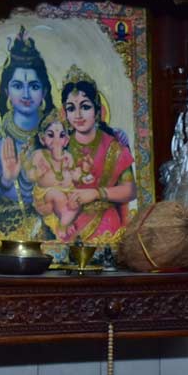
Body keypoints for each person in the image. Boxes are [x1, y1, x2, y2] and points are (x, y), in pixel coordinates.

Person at [0, 25, 56, 239]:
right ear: (6, 91)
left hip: (50, 222)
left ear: (44, 92)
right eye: (17, 85)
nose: (25, 94)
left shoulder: (55, 132)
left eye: (33, 86)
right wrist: (5, 180)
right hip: (4, 224)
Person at [56, 66, 138, 246]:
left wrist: (95, 193)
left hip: (106, 226)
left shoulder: (113, 146)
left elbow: (130, 190)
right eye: (71, 108)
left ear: (98, 110)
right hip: (67, 223)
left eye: (85, 107)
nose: (78, 115)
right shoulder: (60, 146)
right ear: (64, 113)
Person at [25, 110, 83, 235]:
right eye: (51, 135)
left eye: (61, 136)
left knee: (79, 198)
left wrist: (76, 176)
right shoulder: (39, 155)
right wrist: (37, 172)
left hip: (68, 193)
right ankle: (63, 224)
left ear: (66, 140)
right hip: (47, 196)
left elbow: (74, 175)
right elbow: (29, 176)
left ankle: (68, 217)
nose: (56, 140)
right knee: (57, 195)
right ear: (42, 138)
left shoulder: (68, 156)